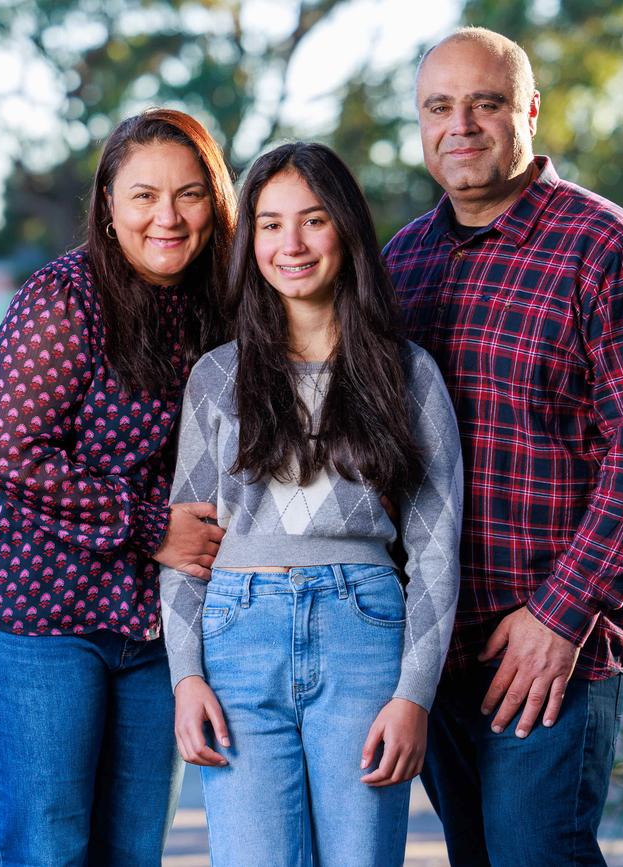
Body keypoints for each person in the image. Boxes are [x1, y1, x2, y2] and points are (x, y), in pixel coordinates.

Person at [160, 141, 463, 867]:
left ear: (347, 232)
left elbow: (436, 544)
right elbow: (186, 541)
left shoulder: (407, 373)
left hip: (365, 634)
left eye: (313, 220)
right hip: (237, 636)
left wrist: (413, 694)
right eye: (269, 223)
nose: (289, 243)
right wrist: (186, 675)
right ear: (251, 240)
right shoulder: (216, 376)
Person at [383, 26, 623, 867]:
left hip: (549, 648)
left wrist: (559, 616)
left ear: (528, 111)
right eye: (439, 107)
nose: (460, 125)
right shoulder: (402, 264)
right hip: (436, 644)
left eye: (485, 104)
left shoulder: (606, 249)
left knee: (538, 856)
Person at [0, 108, 235, 866]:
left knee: (133, 849)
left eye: (189, 194)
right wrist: (149, 526)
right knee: (49, 844)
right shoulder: (64, 299)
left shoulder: (218, 304)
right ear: (106, 203)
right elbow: (8, 448)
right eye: (143, 195)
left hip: (153, 623)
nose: (167, 216)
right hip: (48, 619)